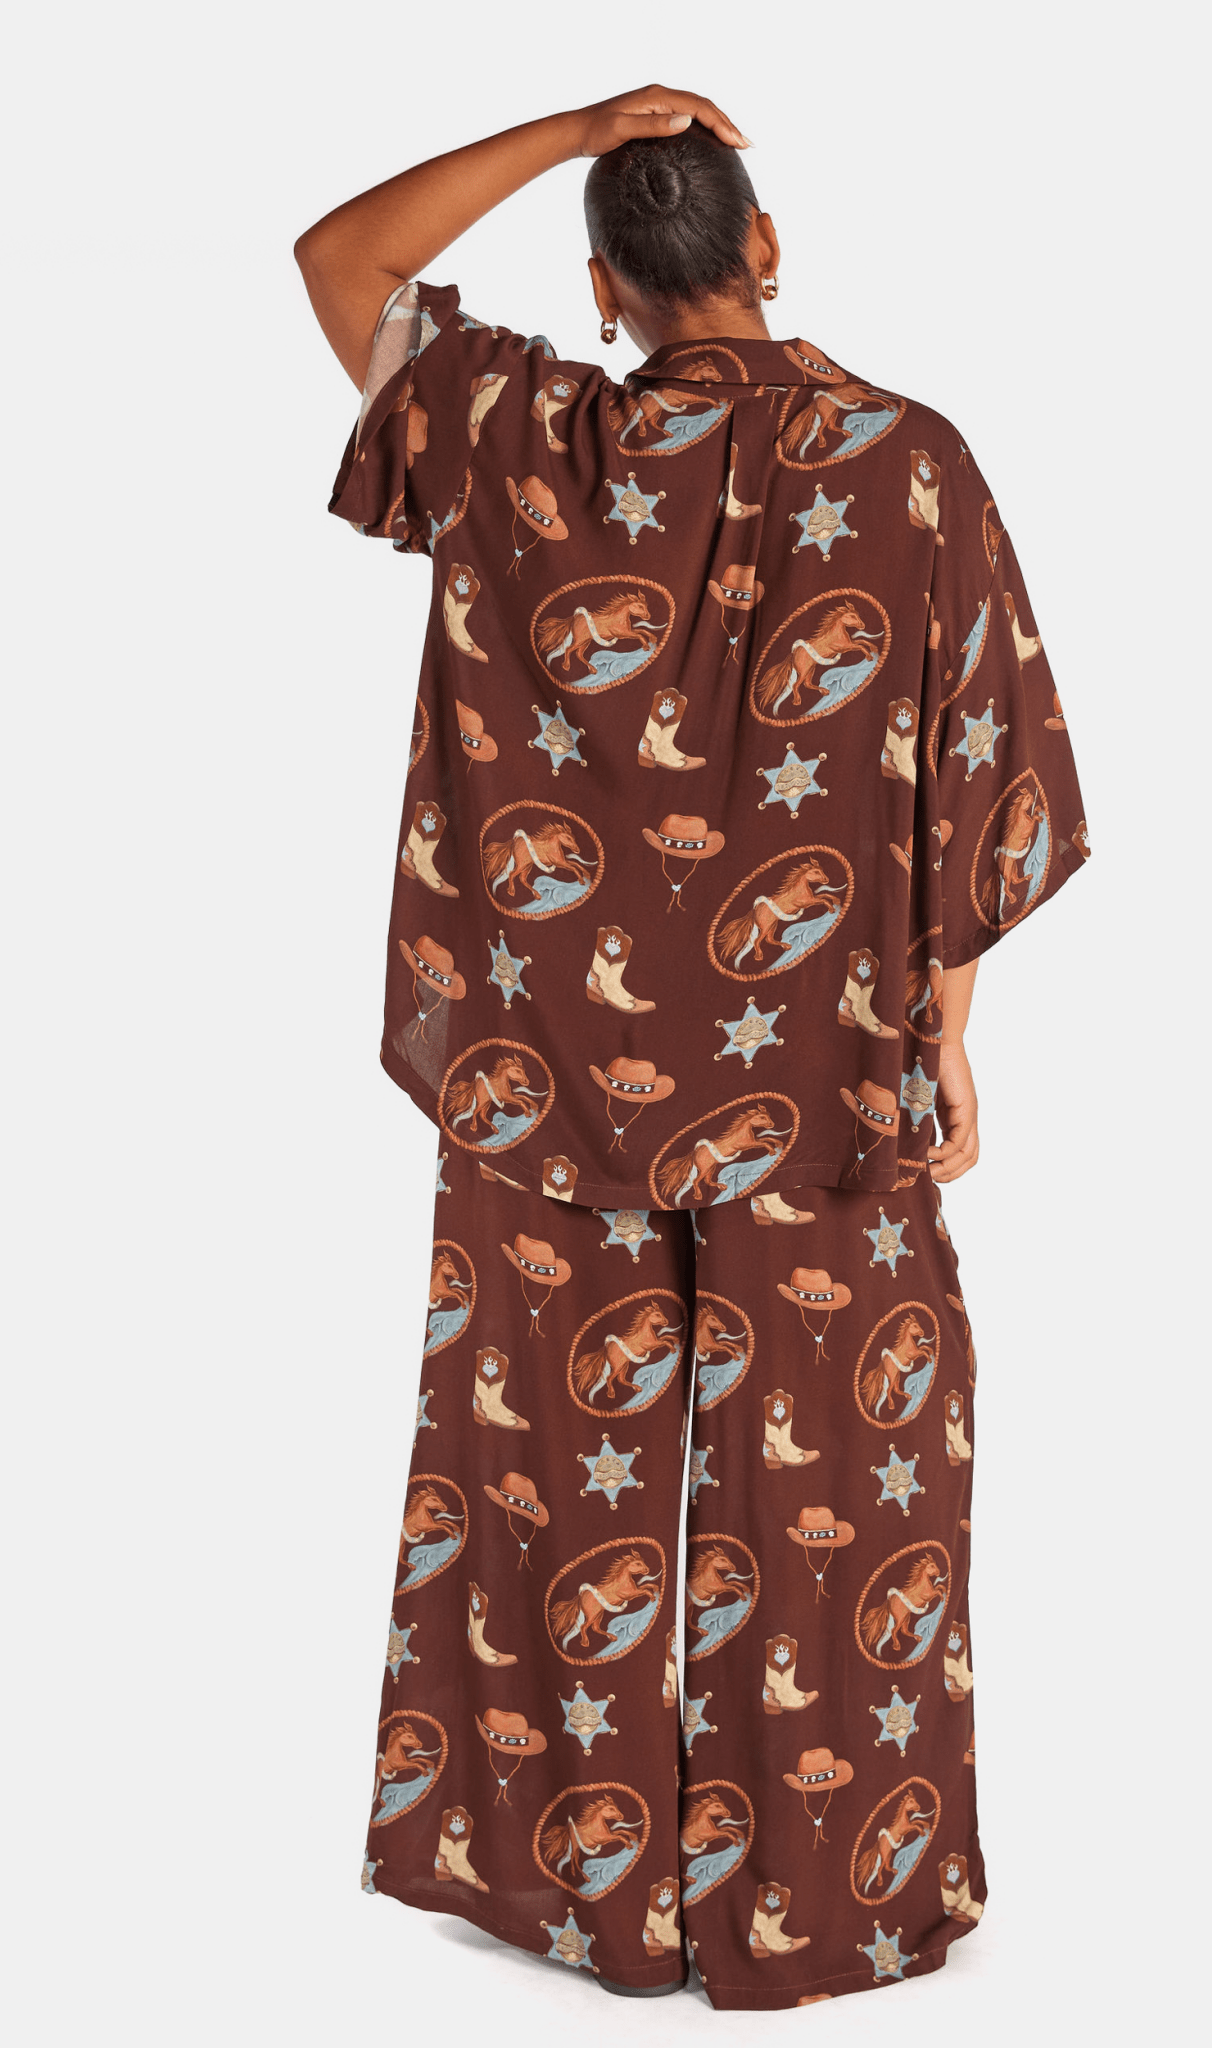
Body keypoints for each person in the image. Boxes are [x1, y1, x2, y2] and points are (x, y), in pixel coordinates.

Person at [294, 85, 1089, 2013]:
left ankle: (568, 1895)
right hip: (823, 1085)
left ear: (599, 287)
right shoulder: (910, 466)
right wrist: (948, 1042)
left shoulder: (509, 431)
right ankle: (825, 1902)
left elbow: (341, 258)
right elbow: (975, 775)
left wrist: (576, 126)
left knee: (535, 1481)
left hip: (544, 1087)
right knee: (847, 1499)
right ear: (765, 252)